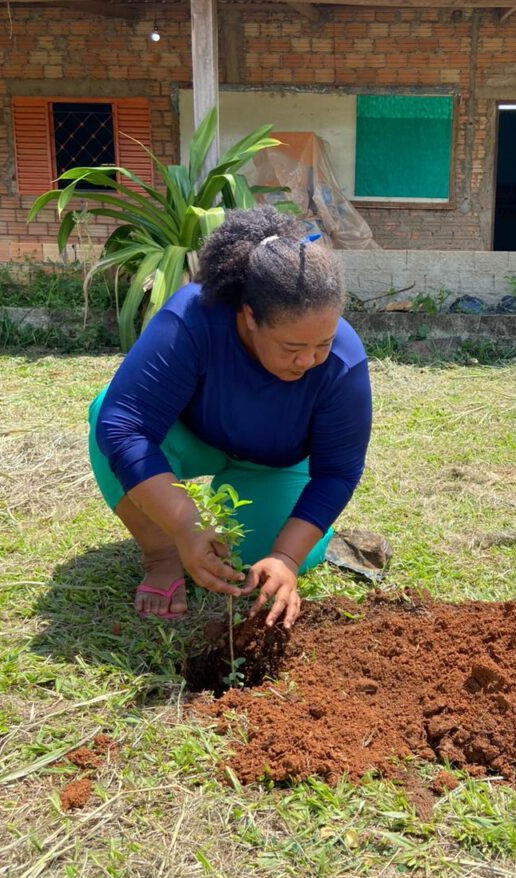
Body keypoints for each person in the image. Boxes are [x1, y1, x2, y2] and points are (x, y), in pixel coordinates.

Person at [88, 206, 372, 630]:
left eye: (324, 342)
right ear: (249, 316)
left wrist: (286, 558)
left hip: (274, 463)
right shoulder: (193, 319)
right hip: (192, 437)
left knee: (253, 563)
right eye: (293, 345)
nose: (310, 360)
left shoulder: (343, 364)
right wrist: (183, 525)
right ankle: (160, 553)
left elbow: (337, 473)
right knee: (104, 412)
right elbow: (124, 423)